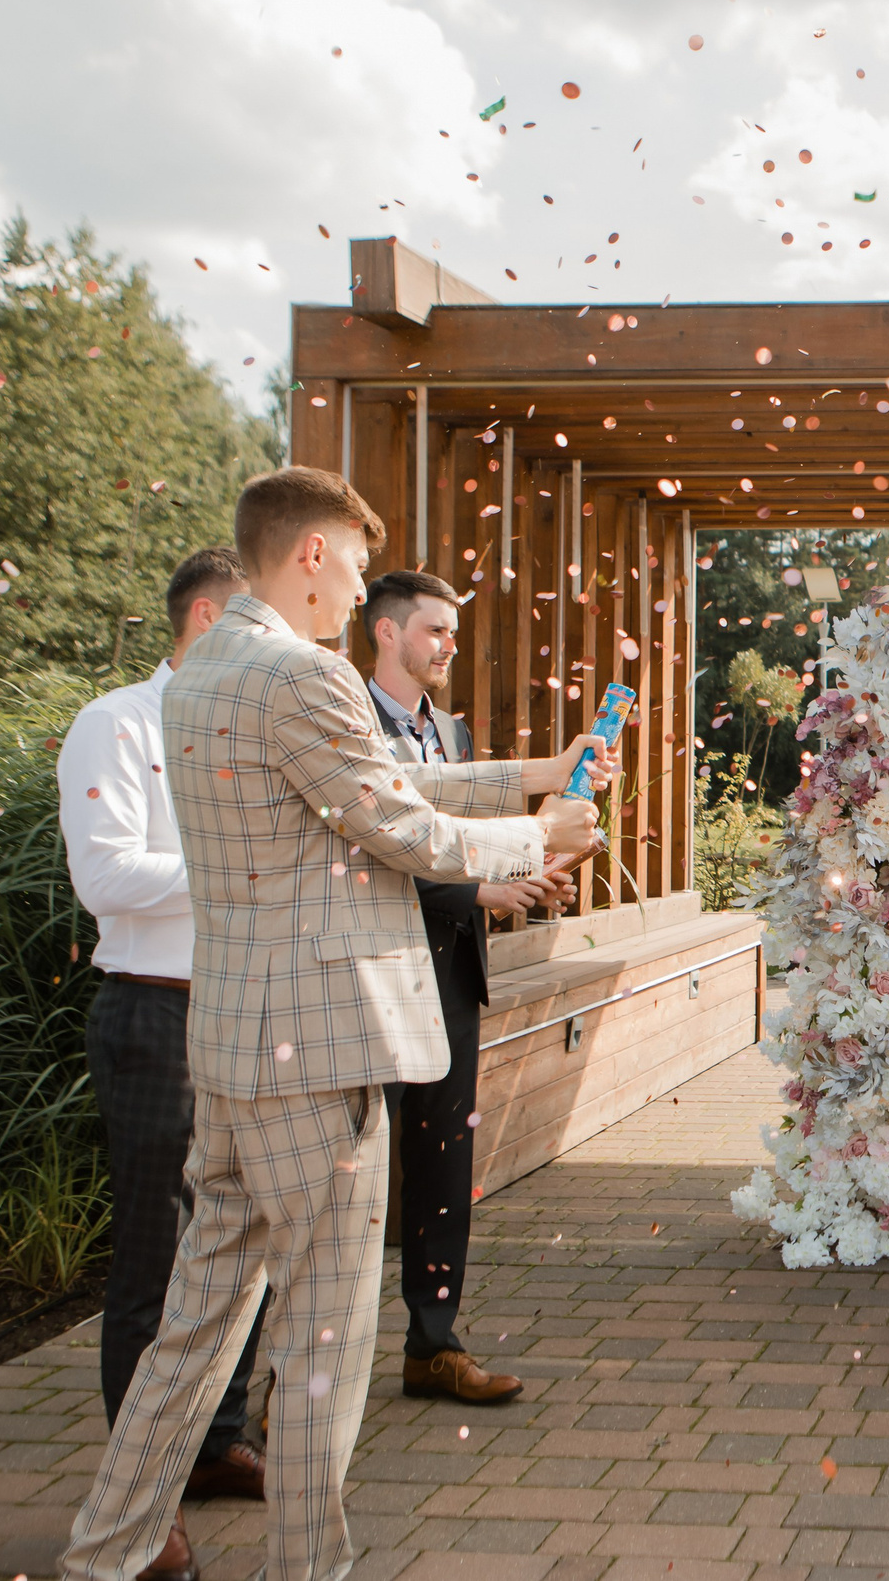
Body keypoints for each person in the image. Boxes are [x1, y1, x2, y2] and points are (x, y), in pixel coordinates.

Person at [58, 467, 614, 1581]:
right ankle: (310, 1567)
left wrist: (527, 775)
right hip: (320, 1053)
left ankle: (105, 1551)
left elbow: (365, 787)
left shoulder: (208, 668)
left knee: (198, 1326)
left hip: (234, 1041)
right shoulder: (300, 672)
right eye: (357, 568)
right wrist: (538, 836)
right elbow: (396, 827)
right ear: (311, 554)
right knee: (323, 1343)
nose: (361, 594)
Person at [57, 547, 265, 1581]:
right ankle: (140, 1513)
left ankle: (220, 1440)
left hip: (246, 1014)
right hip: (155, 1017)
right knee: (155, 1265)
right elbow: (105, 875)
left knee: (245, 1244)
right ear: (205, 616)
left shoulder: (248, 724)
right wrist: (241, 865)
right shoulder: (116, 722)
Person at [363, 568, 569, 1405]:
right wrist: (480, 889)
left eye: (452, 631)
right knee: (353, 1171)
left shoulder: (448, 728)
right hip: (374, 973)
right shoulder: (346, 726)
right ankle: (289, 1372)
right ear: (386, 632)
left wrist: (533, 870)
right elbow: (375, 848)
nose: (450, 644)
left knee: (445, 1163)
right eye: (435, 629)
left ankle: (432, 1344)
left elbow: (458, 835)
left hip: (451, 972)